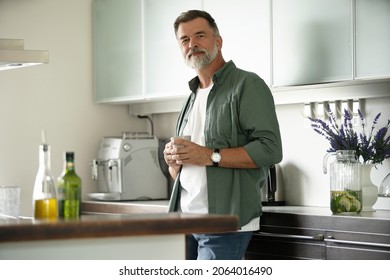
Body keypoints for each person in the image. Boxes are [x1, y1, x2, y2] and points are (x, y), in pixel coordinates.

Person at [163, 10, 283, 260]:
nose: (192, 44)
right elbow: (186, 170)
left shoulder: (247, 85)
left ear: (218, 41)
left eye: (199, 36)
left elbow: (270, 149)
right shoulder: (192, 95)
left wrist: (208, 156)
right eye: (184, 40)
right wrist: (174, 163)